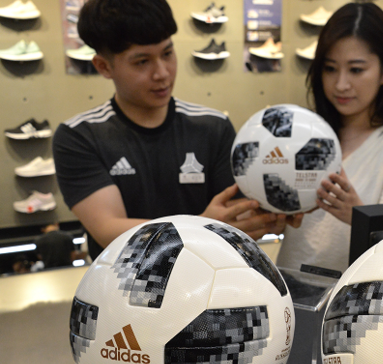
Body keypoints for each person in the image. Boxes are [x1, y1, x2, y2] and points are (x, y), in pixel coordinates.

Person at [53, 0, 296, 262]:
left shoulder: (213, 126)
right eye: (142, 62)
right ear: (104, 66)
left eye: (167, 53)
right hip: (122, 280)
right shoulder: (79, 136)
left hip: (209, 277)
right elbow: (109, 231)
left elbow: (235, 215)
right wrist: (201, 227)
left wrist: (272, 213)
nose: (162, 73)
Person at [276, 2, 383, 273]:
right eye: (330, 68)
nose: (341, 84)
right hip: (288, 283)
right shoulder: (306, 135)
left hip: (352, 291)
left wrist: (357, 213)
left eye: (356, 70)